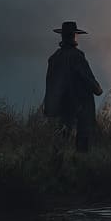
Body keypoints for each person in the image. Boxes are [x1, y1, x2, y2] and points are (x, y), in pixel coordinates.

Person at [43, 21, 103, 152]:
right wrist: (97, 89)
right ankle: (81, 163)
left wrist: (49, 106)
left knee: (61, 138)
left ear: (62, 36)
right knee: (83, 138)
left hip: (58, 105)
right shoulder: (77, 56)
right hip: (78, 105)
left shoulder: (54, 58)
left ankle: (57, 165)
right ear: (74, 36)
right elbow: (88, 78)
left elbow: (49, 82)